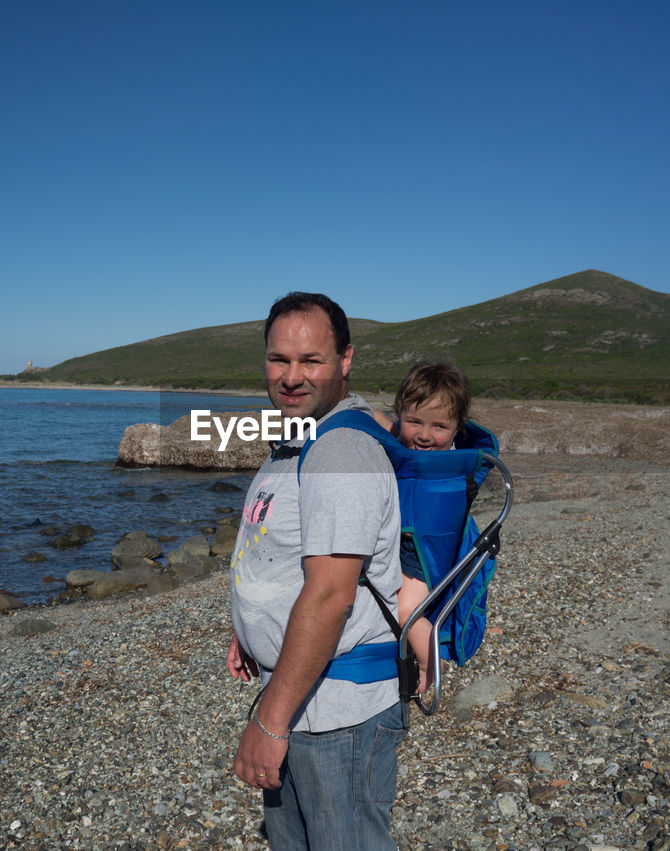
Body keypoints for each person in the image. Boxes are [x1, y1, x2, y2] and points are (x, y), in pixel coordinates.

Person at [227, 292, 404, 849]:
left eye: (311, 361)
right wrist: (249, 624)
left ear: (345, 361)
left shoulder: (340, 452)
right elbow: (280, 551)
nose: (291, 376)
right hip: (300, 692)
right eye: (279, 360)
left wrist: (268, 723)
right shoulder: (300, 435)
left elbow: (331, 597)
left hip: (335, 713)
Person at [372, 362, 470, 695]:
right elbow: (398, 434)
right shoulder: (433, 446)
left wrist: (387, 426)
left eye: (439, 426)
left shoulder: (435, 463)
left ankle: (430, 663)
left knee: (405, 609)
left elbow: (405, 453)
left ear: (459, 428)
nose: (425, 435)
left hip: (421, 552)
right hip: (415, 541)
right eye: (414, 422)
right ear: (401, 416)